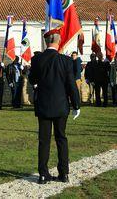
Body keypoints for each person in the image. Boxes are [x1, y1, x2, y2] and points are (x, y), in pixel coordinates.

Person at [29, 32, 80, 185]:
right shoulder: (66, 61)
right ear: (58, 42)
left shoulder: (37, 59)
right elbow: (71, 85)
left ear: (46, 42)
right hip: (61, 105)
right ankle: (64, 173)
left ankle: (43, 174)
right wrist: (76, 104)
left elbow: (32, 79)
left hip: (44, 105)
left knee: (44, 140)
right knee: (61, 139)